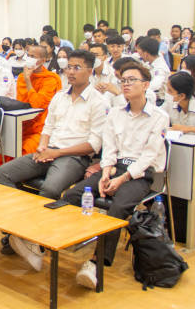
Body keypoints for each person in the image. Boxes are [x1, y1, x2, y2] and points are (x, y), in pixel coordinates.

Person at [0, 50, 107, 268]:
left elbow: (94, 145)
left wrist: (56, 153)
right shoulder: (60, 96)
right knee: (3, 173)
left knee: (50, 190)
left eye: (77, 67)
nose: (71, 72)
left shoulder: (98, 102)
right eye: (69, 67)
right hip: (49, 150)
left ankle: (37, 243)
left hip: (74, 157)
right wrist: (43, 146)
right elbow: (48, 127)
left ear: (90, 71)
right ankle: (19, 229)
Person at [63, 61, 168, 289]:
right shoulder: (116, 113)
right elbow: (109, 146)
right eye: (123, 80)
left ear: (146, 85)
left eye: (132, 80)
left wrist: (123, 178)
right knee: (72, 196)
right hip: (114, 168)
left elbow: (149, 157)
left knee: (118, 208)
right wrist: (106, 172)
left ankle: (96, 263)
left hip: (140, 175)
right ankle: (65, 239)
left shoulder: (159, 116)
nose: (126, 84)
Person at [0, 45, 62, 170]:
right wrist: (25, 78)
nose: (29, 59)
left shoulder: (51, 79)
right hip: (21, 123)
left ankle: (18, 179)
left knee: (25, 149)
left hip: (41, 127)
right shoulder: (21, 77)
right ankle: (2, 177)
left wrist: (28, 81)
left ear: (43, 60)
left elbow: (38, 105)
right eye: (29, 55)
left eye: (33, 57)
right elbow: (21, 104)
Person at [136, 37, 169, 105]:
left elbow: (155, 85)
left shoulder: (160, 67)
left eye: (141, 54)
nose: (140, 57)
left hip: (159, 101)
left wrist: (138, 89)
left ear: (146, 53)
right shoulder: (150, 63)